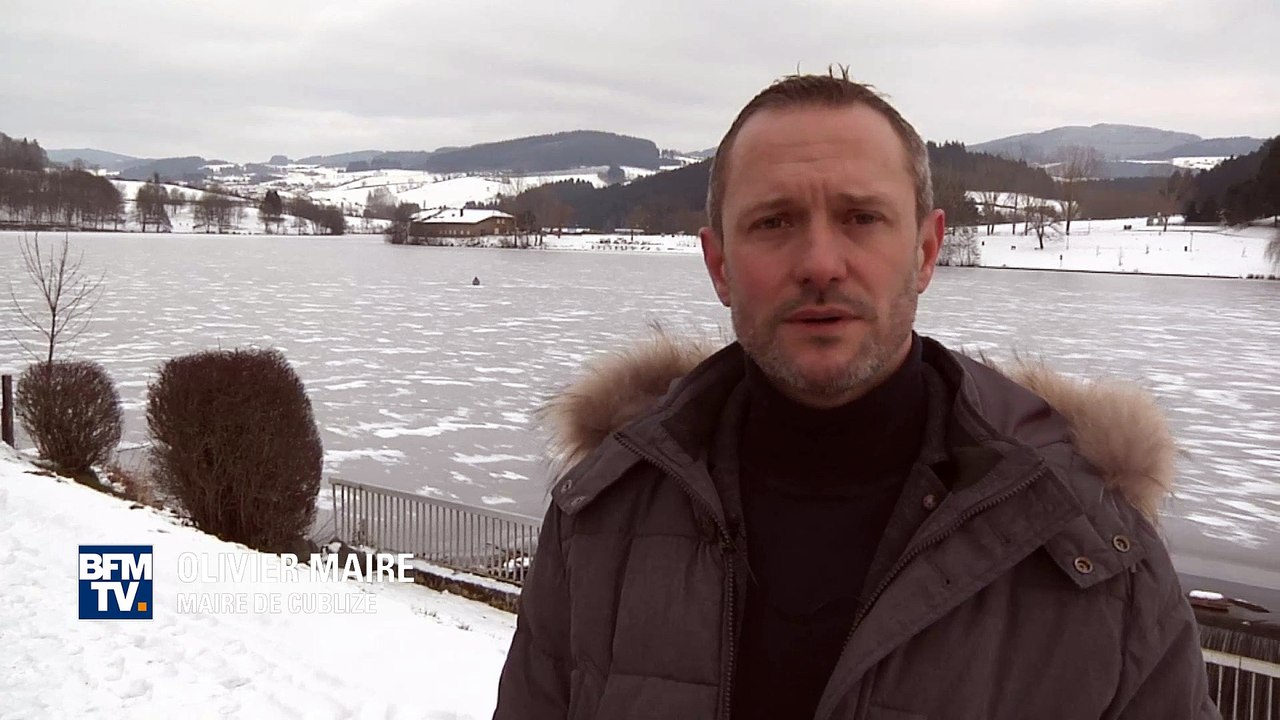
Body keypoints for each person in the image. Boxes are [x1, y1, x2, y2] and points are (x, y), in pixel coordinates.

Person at [493, 70, 1218, 719]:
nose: (819, 263)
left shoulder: (1093, 548)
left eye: (861, 218)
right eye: (774, 222)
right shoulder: (601, 519)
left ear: (927, 252)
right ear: (719, 265)